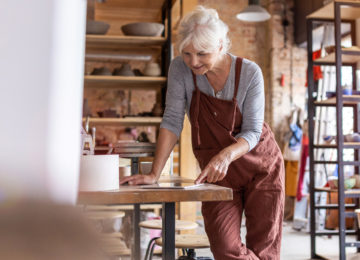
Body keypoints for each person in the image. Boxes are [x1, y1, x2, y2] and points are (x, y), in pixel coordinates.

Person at [120, 5, 284, 259]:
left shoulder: (250, 73)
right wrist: (154, 172)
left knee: (264, 248)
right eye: (187, 53)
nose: (193, 62)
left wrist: (225, 155)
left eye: (202, 54)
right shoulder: (180, 69)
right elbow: (173, 120)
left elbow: (252, 132)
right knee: (224, 246)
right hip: (218, 174)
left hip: (260, 167)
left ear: (221, 45)